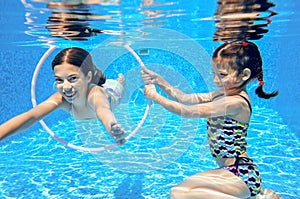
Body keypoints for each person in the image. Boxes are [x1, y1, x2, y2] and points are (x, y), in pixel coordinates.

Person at [142, 41, 282, 199]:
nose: (216, 80)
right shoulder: (221, 95)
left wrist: (155, 96)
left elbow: (187, 111)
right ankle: (259, 195)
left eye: (222, 75)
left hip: (242, 174)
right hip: (230, 171)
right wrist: (159, 80)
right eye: (214, 73)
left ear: (244, 75)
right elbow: (184, 98)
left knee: (180, 195)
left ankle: (257, 197)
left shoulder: (235, 102)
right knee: (177, 192)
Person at [0, 47, 126, 145]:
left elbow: (103, 110)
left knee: (117, 84)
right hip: (89, 87)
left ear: (88, 77)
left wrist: (112, 127)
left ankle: (120, 81)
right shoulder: (61, 99)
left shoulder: (95, 94)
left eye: (72, 78)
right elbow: (31, 116)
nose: (65, 87)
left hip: (113, 91)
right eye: (59, 80)